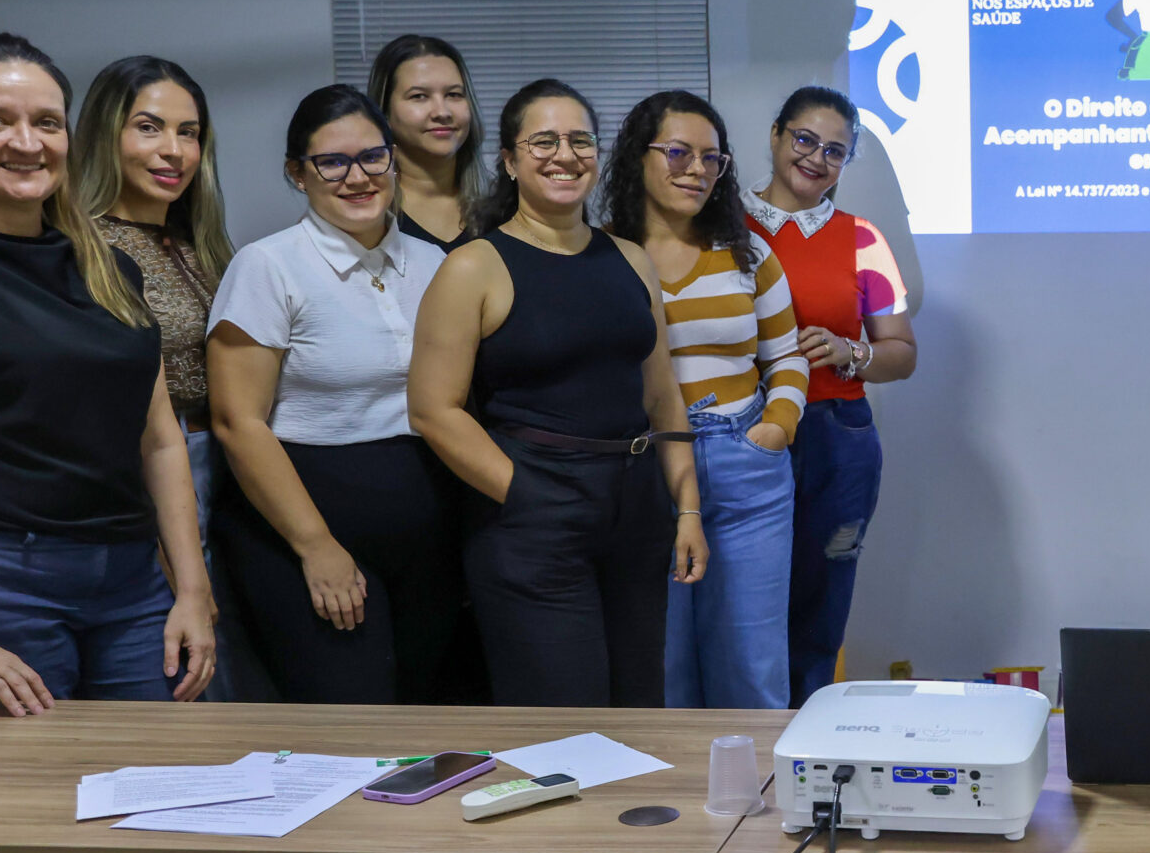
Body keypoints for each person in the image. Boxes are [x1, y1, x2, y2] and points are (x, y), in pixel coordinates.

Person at [0, 33, 216, 714]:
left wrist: (193, 589)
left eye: (46, 122)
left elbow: (162, 440)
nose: (27, 142)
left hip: (132, 578)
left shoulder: (111, 271)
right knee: (17, 800)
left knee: (160, 782)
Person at [409, 78, 707, 707]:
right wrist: (525, 494)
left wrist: (686, 507)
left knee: (638, 708)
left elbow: (662, 396)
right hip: (533, 514)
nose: (565, 155)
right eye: (543, 140)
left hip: (635, 508)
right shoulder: (474, 265)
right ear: (510, 161)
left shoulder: (630, 259)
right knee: (564, 722)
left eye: (580, 140)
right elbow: (433, 410)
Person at [205, 86, 463, 704]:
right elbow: (238, 422)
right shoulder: (269, 267)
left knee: (437, 713)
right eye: (332, 162)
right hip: (310, 525)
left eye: (373, 157)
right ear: (298, 173)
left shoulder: (436, 264)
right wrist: (316, 547)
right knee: (354, 720)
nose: (358, 177)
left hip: (428, 527)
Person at [603, 90, 810, 709]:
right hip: (646, 470)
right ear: (637, 157)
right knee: (661, 669)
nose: (696, 170)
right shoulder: (601, 255)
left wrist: (775, 427)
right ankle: (680, 806)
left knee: (751, 667)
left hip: (747, 467)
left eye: (712, 159)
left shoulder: (747, 251)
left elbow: (788, 356)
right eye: (678, 153)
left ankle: (761, 806)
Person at [746, 87, 917, 705]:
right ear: (775, 135)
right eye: (805, 140)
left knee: (820, 596)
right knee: (743, 594)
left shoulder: (862, 239)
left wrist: (855, 354)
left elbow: (902, 351)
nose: (817, 158)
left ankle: (806, 730)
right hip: (742, 433)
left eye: (836, 151)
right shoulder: (717, 226)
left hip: (836, 437)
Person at [72, 56, 234, 531]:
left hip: (229, 462)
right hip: (143, 467)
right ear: (106, 135)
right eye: (149, 128)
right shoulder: (82, 250)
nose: (175, 150)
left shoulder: (204, 246)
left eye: (189, 132)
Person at [369, 34, 484, 253]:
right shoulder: (363, 213)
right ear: (384, 111)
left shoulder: (503, 210)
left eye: (453, 94)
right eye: (419, 96)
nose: (442, 112)